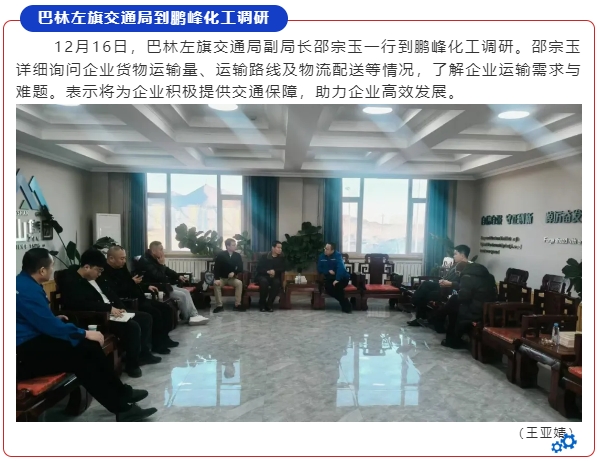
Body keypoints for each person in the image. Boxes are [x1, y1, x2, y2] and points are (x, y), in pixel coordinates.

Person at [16, 248, 157, 421]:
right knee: (82, 358)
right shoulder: (26, 290)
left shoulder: (25, 283)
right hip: (22, 354)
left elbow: (36, 318)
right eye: (51, 267)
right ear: (42, 270)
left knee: (90, 347)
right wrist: (83, 333)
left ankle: (122, 393)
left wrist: (54, 319)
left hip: (34, 341)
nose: (53, 270)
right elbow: (49, 327)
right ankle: (122, 408)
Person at [61, 249, 161, 378]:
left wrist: (121, 307)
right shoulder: (73, 281)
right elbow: (82, 304)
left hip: (112, 311)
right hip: (98, 317)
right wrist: (109, 308)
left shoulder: (96, 278)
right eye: (98, 270)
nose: (100, 274)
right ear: (86, 267)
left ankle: (143, 354)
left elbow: (110, 293)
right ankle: (132, 365)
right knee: (132, 327)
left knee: (145, 318)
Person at [102, 245, 179, 355]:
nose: (124, 261)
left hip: (139, 297)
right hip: (128, 301)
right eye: (121, 258)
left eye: (125, 258)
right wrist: (132, 282)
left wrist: (146, 286)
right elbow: (116, 290)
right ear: (111, 259)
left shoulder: (121, 267)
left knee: (166, 308)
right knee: (155, 313)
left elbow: (132, 282)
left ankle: (164, 338)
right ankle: (157, 344)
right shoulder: (105, 273)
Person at [137, 241, 209, 326]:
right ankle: (188, 318)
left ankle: (194, 315)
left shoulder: (154, 258)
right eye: (161, 249)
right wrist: (161, 265)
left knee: (186, 292)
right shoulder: (146, 261)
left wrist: (178, 276)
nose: (163, 252)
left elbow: (166, 270)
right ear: (153, 251)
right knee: (182, 295)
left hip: (164, 285)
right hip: (157, 288)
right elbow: (159, 276)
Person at [407, 245, 471, 327]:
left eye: (455, 254)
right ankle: (419, 314)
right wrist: (442, 280)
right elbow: (446, 277)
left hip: (449, 291)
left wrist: (450, 283)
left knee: (426, 293)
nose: (453, 256)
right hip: (443, 286)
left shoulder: (467, 268)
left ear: (462, 255)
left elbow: (463, 284)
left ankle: (418, 312)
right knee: (426, 284)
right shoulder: (455, 265)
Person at [442, 261, 498, 349]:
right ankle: (440, 319)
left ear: (460, 271)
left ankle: (452, 340)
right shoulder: (490, 276)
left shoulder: (467, 277)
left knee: (453, 306)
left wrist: (457, 295)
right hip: (488, 310)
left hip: (475, 311)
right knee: (453, 302)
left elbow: (463, 297)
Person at [317, 243, 352, 313]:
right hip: (330, 278)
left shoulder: (337, 255)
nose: (325, 250)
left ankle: (346, 307)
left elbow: (341, 268)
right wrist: (328, 271)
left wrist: (337, 279)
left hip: (342, 277)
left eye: (327, 249)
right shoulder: (321, 256)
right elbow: (319, 269)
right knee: (329, 288)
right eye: (325, 248)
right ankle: (345, 303)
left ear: (332, 250)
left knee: (338, 286)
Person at [212, 238, 244, 313]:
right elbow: (216, 268)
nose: (235, 246)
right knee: (216, 284)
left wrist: (234, 273)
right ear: (228, 246)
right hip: (222, 278)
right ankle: (219, 306)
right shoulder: (221, 255)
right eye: (233, 245)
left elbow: (240, 268)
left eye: (235, 245)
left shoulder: (237, 255)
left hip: (232, 279)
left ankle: (237, 305)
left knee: (239, 283)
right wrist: (216, 279)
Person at [255, 241, 285, 312]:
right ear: (273, 248)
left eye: (281, 248)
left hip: (275, 276)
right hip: (263, 276)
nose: (280, 249)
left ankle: (269, 304)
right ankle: (262, 304)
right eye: (278, 247)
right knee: (264, 282)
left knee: (277, 283)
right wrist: (267, 272)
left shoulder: (282, 257)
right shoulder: (264, 256)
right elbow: (259, 268)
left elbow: (283, 268)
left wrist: (275, 271)